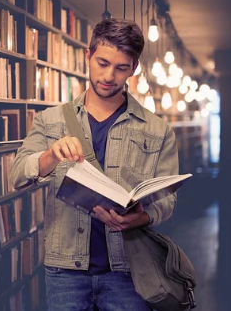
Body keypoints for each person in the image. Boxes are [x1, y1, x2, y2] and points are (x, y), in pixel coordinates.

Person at [10, 18, 179, 311]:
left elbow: (167, 199)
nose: (109, 76)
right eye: (102, 63)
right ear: (88, 56)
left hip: (128, 271)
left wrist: (141, 218)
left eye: (121, 68)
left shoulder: (157, 130)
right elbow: (17, 175)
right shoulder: (50, 120)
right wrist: (51, 155)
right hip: (65, 271)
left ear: (134, 68)